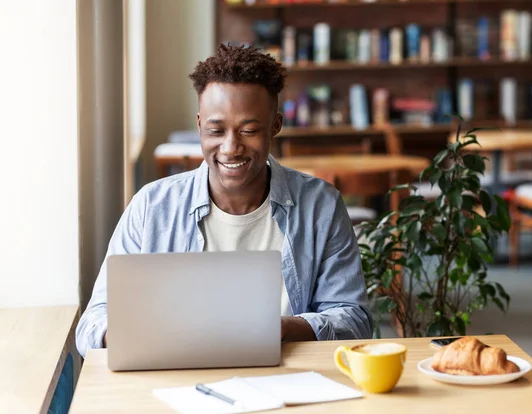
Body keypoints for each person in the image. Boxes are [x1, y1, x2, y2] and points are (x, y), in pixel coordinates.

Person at [75, 44, 373, 358]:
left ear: (275, 125)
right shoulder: (151, 208)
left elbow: (355, 320)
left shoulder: (320, 206)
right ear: (200, 124)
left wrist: (280, 328)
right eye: (216, 130)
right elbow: (92, 325)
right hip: (174, 382)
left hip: (287, 380)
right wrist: (134, 333)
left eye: (249, 130)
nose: (231, 148)